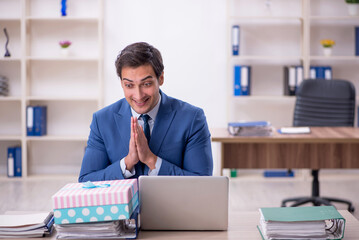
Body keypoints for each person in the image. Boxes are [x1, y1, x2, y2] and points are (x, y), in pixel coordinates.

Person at [78, 42, 213, 181]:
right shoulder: (102, 120)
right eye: (129, 85)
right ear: (122, 84)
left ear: (160, 78)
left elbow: (202, 182)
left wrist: (151, 160)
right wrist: (128, 162)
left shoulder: (192, 119)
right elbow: (86, 180)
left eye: (146, 84)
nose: (138, 95)